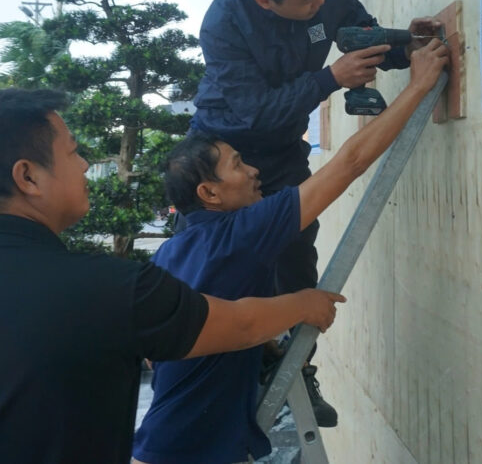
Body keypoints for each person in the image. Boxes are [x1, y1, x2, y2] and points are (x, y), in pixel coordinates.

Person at [0, 89, 345, 464]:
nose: (85, 165)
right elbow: (233, 324)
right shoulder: (108, 290)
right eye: (72, 151)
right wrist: (303, 304)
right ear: (28, 176)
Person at [133, 40, 449, 464]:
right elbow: (349, 163)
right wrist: (419, 85)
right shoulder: (239, 234)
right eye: (237, 164)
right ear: (209, 193)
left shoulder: (172, 253)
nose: (253, 171)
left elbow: (160, 350)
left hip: (163, 442)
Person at [190, 0, 440, 423]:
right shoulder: (225, 22)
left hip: (282, 150)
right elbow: (253, 111)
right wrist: (330, 78)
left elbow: (363, 38)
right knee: (218, 265)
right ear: (265, 1)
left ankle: (297, 369)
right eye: (306, 0)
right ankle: (228, 378)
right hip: (223, 153)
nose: (318, 2)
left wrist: (407, 46)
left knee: (296, 254)